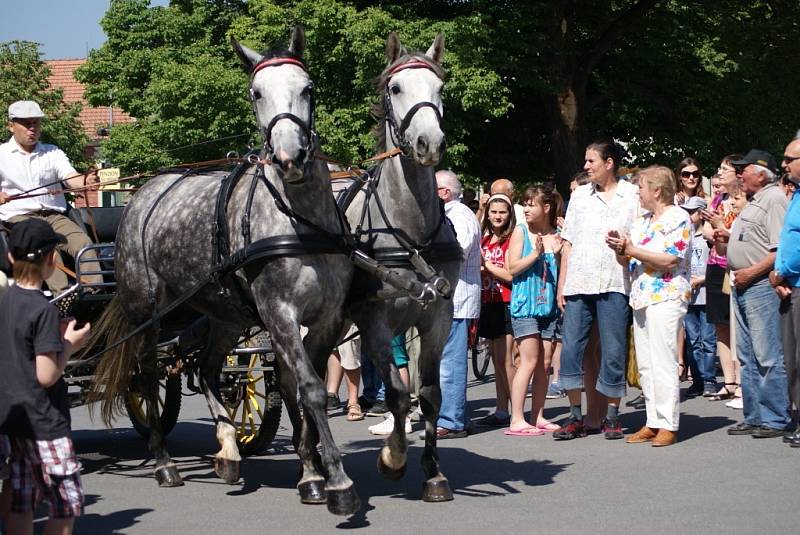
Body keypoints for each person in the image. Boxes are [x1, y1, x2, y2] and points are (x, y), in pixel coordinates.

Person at [0, 218, 91, 534]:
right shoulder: (44, 310)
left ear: (10, 257)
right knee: (65, 503)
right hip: (44, 424)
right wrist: (70, 344)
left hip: (13, 420)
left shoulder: (6, 300)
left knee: (21, 500)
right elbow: (47, 374)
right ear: (53, 260)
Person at [554, 140, 640, 441]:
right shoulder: (579, 196)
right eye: (586, 161)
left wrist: (627, 250)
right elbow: (568, 243)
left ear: (609, 163)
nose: (586, 166)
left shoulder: (632, 196)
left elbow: (640, 240)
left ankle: (612, 417)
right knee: (571, 351)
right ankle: (575, 416)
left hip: (615, 282)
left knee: (614, 351)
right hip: (579, 282)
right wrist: (561, 284)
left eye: (591, 161)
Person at [607, 166, 691, 447]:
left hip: (666, 295)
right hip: (641, 296)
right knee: (645, 364)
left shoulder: (678, 217)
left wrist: (632, 250)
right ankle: (653, 421)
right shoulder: (642, 220)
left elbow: (670, 259)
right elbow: (628, 261)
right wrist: (621, 249)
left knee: (663, 360)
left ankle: (669, 423)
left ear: (656, 190)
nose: (638, 194)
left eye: (641, 188)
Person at [720, 149, 791, 438]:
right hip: (743, 284)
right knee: (748, 355)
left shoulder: (773, 199)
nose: (739, 173)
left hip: (759, 285)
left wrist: (750, 272)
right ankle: (754, 415)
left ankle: (774, 418)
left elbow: (779, 250)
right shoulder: (755, 200)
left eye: (743, 169)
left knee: (766, 354)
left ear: (761, 174)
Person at [0, 100, 102, 294]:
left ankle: (94, 295)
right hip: (19, 220)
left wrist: (85, 182)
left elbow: (70, 177)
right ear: (11, 125)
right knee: (46, 246)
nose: (32, 128)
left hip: (54, 216)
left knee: (83, 243)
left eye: (36, 123)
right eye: (26, 123)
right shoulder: (1, 155)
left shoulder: (52, 152)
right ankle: (63, 296)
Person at [505, 184, 563, 435]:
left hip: (549, 307)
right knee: (528, 360)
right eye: (525, 204)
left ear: (546, 208)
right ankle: (516, 418)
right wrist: (536, 255)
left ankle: (538, 415)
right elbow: (512, 268)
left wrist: (558, 255)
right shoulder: (520, 232)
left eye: (531, 204)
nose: (526, 208)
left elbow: (561, 271)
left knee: (545, 362)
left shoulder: (557, 234)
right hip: (525, 305)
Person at [433, 170, 481, 438]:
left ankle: (452, 420)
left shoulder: (459, 215)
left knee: (451, 362)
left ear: (445, 192)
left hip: (457, 297)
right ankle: (453, 414)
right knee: (446, 360)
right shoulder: (450, 215)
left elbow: (457, 252)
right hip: (451, 296)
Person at [700, 154, 744, 404]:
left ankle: (740, 380)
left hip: (735, 266)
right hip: (715, 264)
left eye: (724, 169)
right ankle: (728, 380)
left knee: (737, 325)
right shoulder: (717, 199)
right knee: (720, 323)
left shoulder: (743, 200)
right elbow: (707, 231)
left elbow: (734, 231)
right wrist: (714, 231)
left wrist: (719, 228)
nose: (720, 173)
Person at [473, 193, 516, 427]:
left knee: (505, 359)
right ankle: (501, 409)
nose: (498, 216)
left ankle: (516, 409)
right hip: (487, 301)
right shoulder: (485, 239)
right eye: (494, 212)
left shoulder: (511, 239)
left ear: (510, 214)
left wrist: (486, 266)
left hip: (506, 302)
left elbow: (510, 274)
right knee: (497, 360)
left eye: (502, 212)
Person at [770, 137, 800, 448]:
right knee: (791, 357)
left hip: (796, 282)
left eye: (789, 159)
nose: (784, 164)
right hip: (787, 286)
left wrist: (782, 270)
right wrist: (776, 273)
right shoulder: (795, 196)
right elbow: (788, 239)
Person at [679, 196, 718, 398]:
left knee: (708, 340)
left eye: (692, 212)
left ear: (702, 213)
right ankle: (698, 379)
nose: (688, 215)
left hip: (706, 295)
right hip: (689, 297)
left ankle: (710, 380)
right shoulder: (684, 236)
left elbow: (717, 265)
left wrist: (701, 279)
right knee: (693, 340)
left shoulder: (708, 238)